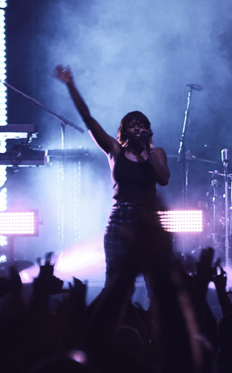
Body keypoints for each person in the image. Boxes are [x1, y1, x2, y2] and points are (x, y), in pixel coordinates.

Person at [53, 64, 171, 282]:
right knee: (115, 279)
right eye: (132, 125)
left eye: (142, 125)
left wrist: (147, 149)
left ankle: (154, 316)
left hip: (149, 218)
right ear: (123, 131)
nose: (137, 128)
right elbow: (88, 119)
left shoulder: (156, 153)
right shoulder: (115, 150)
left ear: (149, 129)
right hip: (120, 218)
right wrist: (71, 86)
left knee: (156, 280)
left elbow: (163, 179)